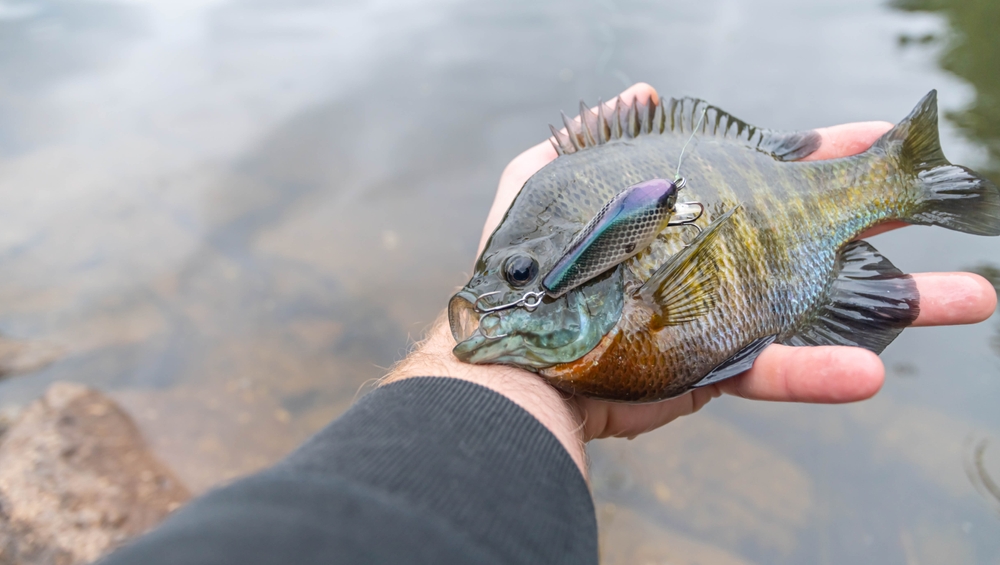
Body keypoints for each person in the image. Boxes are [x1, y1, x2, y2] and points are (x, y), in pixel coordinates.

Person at [98, 84, 996, 564]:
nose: (481, 309)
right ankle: (912, 174)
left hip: (780, 247)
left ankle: (906, 173)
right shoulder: (552, 250)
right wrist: (496, 378)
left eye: (518, 273)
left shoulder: (623, 263)